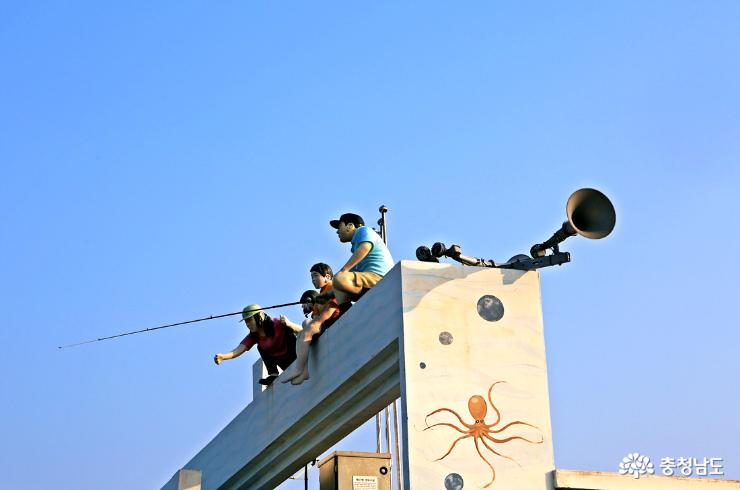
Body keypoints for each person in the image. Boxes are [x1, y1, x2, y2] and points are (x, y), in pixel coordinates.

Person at [281, 263, 340, 385]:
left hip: (331, 321)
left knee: (307, 326)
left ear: (327, 276)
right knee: (303, 332)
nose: (313, 280)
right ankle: (304, 371)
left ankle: (299, 368)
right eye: (311, 277)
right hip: (324, 323)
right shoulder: (322, 294)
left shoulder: (331, 288)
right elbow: (316, 315)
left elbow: (332, 309)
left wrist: (317, 323)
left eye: (315, 276)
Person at [213, 304, 301, 386]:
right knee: (260, 347)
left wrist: (290, 324)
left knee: (288, 331)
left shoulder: (277, 323)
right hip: (283, 363)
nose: (247, 324)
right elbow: (239, 349)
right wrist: (223, 357)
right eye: (246, 322)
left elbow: (301, 330)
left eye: (249, 320)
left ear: (259, 316)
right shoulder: (254, 336)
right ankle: (273, 374)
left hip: (295, 355)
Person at [327, 213, 394, 306]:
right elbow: (351, 272)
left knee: (340, 278)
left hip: (380, 276)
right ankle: (345, 312)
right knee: (338, 283)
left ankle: (366, 294)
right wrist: (326, 294)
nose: (337, 232)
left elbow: (365, 248)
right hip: (369, 277)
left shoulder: (363, 230)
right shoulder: (356, 247)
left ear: (350, 226)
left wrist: (343, 270)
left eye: (339, 227)